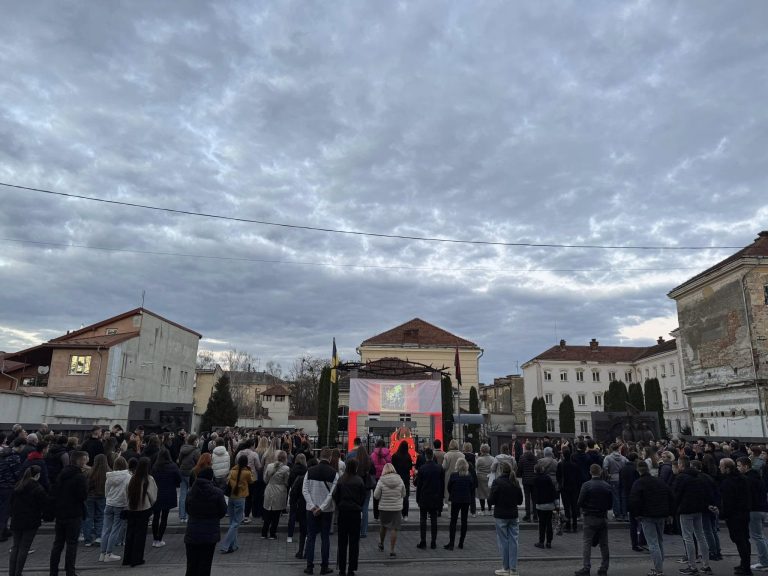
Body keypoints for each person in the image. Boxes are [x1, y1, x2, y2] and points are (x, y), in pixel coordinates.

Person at [629, 460, 674, 576]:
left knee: (653, 543)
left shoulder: (638, 483)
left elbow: (634, 500)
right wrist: (669, 513)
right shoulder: (659, 481)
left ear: (638, 470)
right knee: (659, 541)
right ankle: (659, 566)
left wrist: (636, 514)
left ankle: (658, 570)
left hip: (647, 515)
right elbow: (670, 495)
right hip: (661, 514)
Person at [49, 450, 89, 576]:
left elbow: (54, 492)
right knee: (72, 544)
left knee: (58, 543)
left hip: (60, 513)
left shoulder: (61, 474)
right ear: (79, 461)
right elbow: (83, 496)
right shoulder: (80, 477)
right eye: (84, 460)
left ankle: (53, 571)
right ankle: (70, 571)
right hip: (74, 513)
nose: (85, 462)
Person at [673, 455, 713, 576]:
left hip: (685, 510)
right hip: (698, 509)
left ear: (681, 464)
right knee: (701, 536)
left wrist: (674, 509)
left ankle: (692, 566)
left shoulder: (681, 478)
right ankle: (706, 565)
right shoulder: (698, 476)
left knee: (688, 538)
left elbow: (676, 495)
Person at [184, 467, 227, 576]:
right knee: (206, 564)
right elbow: (223, 511)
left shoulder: (191, 492)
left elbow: (187, 509)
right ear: (211, 478)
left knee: (191, 565)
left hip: (192, 532)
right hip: (210, 533)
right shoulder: (217, 492)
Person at [303, 447, 340, 574]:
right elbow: (331, 494)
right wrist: (322, 507)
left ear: (319, 457)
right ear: (330, 458)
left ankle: (309, 566)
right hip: (327, 510)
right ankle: (324, 566)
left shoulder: (310, 471)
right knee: (325, 538)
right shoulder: (334, 473)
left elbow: (305, 490)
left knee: (311, 537)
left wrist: (312, 505)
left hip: (311, 509)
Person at [574, 464, 612, 576]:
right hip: (602, 517)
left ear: (590, 472)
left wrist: (585, 508)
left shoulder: (586, 485)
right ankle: (604, 568)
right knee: (604, 544)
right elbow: (610, 505)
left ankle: (586, 568)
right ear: (600, 472)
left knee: (587, 543)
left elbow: (579, 502)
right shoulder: (607, 486)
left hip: (589, 517)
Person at [9, 465, 45, 576]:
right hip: (30, 522)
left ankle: (12, 573)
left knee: (15, 546)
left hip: (16, 520)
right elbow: (43, 504)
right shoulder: (37, 488)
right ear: (37, 475)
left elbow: (11, 503)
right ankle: (18, 573)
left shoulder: (18, 485)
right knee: (24, 548)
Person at [489, 461, 523, 576]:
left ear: (500, 470)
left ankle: (505, 567)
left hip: (501, 514)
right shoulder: (515, 482)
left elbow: (491, 500)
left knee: (503, 541)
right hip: (513, 514)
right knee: (514, 540)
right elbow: (520, 500)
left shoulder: (497, 482)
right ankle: (513, 569)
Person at [122, 457, 157, 568]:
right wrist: (150, 504)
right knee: (140, 535)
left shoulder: (132, 478)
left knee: (130, 533)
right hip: (143, 508)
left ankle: (127, 558)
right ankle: (136, 559)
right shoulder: (148, 479)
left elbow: (126, 493)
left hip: (131, 508)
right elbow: (153, 496)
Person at [720, 457, 752, 574]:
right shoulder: (744, 479)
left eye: (721, 466)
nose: (719, 468)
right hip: (744, 513)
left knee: (740, 541)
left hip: (734, 515)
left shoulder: (727, 482)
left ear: (727, 468)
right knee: (744, 540)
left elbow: (727, 502)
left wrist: (723, 514)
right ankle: (745, 564)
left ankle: (746, 568)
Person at [334, 458, 366, 576]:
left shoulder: (341, 480)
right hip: (355, 513)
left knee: (342, 542)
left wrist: (340, 505)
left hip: (343, 513)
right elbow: (363, 497)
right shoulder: (359, 480)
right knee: (354, 543)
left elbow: (335, 496)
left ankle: (341, 569)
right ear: (356, 467)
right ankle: (351, 569)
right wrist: (358, 505)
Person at [737, 457, 768, 572]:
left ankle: (764, 562)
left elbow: (747, 496)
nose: (737, 468)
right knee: (761, 536)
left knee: (758, 536)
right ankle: (764, 560)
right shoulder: (758, 477)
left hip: (754, 509)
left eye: (739, 466)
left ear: (746, 466)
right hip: (762, 509)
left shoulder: (747, 479)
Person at [220, 453, 256, 553]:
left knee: (232, 522)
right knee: (236, 523)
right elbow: (252, 481)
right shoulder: (247, 473)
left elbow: (227, 481)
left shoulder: (232, 471)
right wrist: (250, 471)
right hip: (240, 497)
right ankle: (225, 545)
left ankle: (234, 545)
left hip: (231, 497)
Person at [100, 456, 130, 562]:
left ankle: (102, 553)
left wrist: (109, 498)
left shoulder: (110, 476)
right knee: (115, 529)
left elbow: (106, 491)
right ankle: (109, 553)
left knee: (106, 529)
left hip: (109, 503)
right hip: (120, 504)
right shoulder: (128, 476)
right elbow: (128, 491)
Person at [151, 448, 182, 548]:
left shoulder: (155, 467)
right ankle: (160, 538)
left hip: (156, 493)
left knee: (156, 516)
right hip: (168, 493)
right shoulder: (173, 466)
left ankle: (155, 539)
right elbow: (179, 479)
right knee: (164, 517)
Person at [374, 462, 405, 558]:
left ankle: (381, 543)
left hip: (384, 508)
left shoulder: (381, 480)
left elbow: (376, 495)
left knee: (383, 526)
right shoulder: (399, 479)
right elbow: (403, 494)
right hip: (396, 508)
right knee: (394, 528)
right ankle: (392, 550)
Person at [414, 447, 443, 549]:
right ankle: (433, 542)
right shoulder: (439, 468)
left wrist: (417, 498)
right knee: (434, 520)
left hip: (424, 496)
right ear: (433, 456)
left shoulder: (422, 468)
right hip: (435, 497)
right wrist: (441, 498)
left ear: (426, 456)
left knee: (423, 519)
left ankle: (423, 541)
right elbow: (441, 484)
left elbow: (419, 485)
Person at [445, 458, 474, 550]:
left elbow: (449, 487)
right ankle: (461, 542)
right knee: (464, 521)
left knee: (453, 521)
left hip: (455, 499)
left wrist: (453, 493)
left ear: (457, 465)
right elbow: (472, 488)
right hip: (466, 500)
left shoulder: (453, 475)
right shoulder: (469, 476)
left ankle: (451, 543)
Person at [262, 450, 290, 539]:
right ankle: (272, 534)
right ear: (285, 458)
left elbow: (265, 479)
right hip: (279, 491)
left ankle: (264, 533)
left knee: (267, 511)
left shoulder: (269, 466)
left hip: (269, 489)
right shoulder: (286, 469)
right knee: (276, 514)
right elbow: (286, 482)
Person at [619, 453, 643, 551]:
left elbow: (621, 483)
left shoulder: (623, 469)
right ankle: (641, 541)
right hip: (636, 497)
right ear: (635, 459)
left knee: (632, 523)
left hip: (627, 495)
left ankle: (635, 543)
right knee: (639, 521)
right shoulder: (635, 470)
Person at [558, 448, 584, 533]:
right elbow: (579, 477)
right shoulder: (575, 465)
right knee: (574, 507)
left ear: (563, 455)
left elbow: (558, 477)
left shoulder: (560, 464)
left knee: (566, 508)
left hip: (564, 488)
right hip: (574, 488)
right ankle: (575, 526)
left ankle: (568, 526)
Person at [533, 461, 558, 549]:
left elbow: (534, 493)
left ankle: (541, 542)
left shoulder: (535, 479)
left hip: (540, 505)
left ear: (535, 471)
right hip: (550, 504)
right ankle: (549, 542)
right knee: (549, 523)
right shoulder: (548, 478)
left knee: (542, 524)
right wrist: (556, 503)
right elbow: (553, 490)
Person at [289, 454, 309, 558]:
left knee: (301, 528)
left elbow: (291, 487)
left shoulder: (293, 470)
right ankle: (308, 550)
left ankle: (300, 549)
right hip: (308, 504)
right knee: (308, 529)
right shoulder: (307, 472)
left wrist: (292, 501)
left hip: (299, 502)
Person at [177, 433, 200, 523]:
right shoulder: (196, 450)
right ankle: (189, 514)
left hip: (182, 471)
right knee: (191, 494)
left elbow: (179, 460)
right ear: (194, 441)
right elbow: (198, 462)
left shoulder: (183, 448)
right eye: (197, 440)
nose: (198, 441)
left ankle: (182, 516)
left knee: (182, 494)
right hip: (191, 473)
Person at [603, 444, 628, 521]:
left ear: (611, 449)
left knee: (615, 496)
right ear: (618, 449)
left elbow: (605, 467)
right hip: (622, 478)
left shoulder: (608, 458)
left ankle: (617, 514)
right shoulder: (624, 458)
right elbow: (627, 465)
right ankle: (624, 514)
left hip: (613, 478)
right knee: (623, 496)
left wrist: (607, 475)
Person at [391, 440, 413, 520]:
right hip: (406, 478)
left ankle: (397, 513)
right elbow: (410, 467)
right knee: (405, 496)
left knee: (397, 496)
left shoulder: (395, 455)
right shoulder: (408, 456)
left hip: (397, 478)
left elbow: (392, 467)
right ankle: (405, 514)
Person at [371, 439, 391, 521]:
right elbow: (390, 465)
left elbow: (371, 466)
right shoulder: (388, 454)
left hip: (375, 478)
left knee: (376, 496)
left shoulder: (372, 455)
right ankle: (384, 514)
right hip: (385, 477)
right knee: (385, 496)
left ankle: (376, 515)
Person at [519, 442, 539, 522]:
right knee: (534, 498)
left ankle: (528, 516)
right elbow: (537, 468)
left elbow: (520, 469)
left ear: (525, 448)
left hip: (526, 480)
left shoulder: (522, 457)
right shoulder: (535, 458)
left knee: (527, 498)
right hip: (534, 480)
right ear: (531, 448)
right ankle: (535, 516)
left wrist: (521, 475)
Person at [475, 444, 495, 515]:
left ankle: (482, 510)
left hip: (480, 478)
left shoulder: (479, 459)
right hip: (489, 478)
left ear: (481, 450)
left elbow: (476, 468)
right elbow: (494, 468)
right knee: (489, 494)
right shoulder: (492, 459)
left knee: (481, 494)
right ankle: (490, 510)